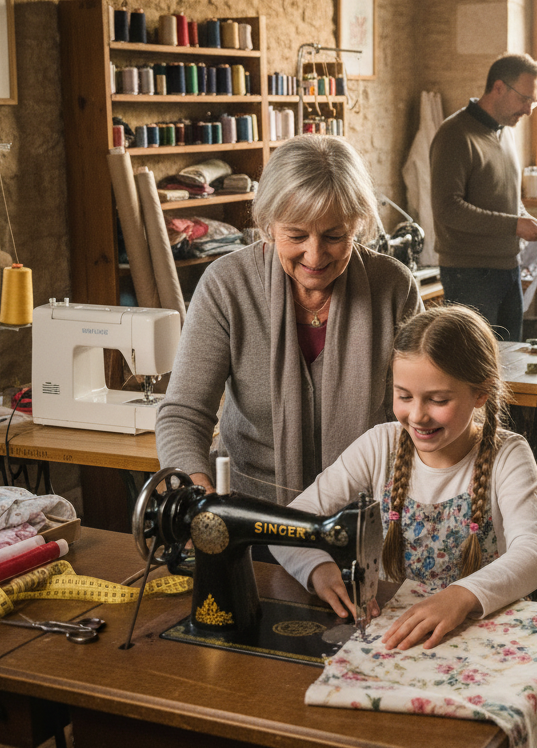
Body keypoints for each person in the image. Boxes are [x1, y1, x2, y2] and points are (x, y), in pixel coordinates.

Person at [155, 135, 422, 506]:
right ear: (268, 224)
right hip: (252, 507)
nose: (315, 255)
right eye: (296, 235)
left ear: (358, 225)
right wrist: (199, 496)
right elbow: (184, 415)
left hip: (367, 506)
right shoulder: (227, 286)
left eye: (334, 236)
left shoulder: (393, 288)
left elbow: (423, 411)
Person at [275, 304, 537, 651]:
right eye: (404, 396)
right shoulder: (380, 445)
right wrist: (317, 568)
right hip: (395, 636)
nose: (418, 415)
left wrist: (460, 597)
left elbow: (536, 553)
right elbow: (287, 523)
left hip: (480, 638)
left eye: (438, 399)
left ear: (480, 393)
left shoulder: (507, 455)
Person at [430, 53, 537, 342]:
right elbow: (448, 209)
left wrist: (524, 218)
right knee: (475, 365)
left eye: (533, 102)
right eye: (525, 99)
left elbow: (505, 197)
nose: (528, 109)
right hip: (470, 273)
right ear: (498, 87)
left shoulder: (506, 132)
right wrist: (514, 225)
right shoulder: (454, 134)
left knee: (511, 361)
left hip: (508, 267)